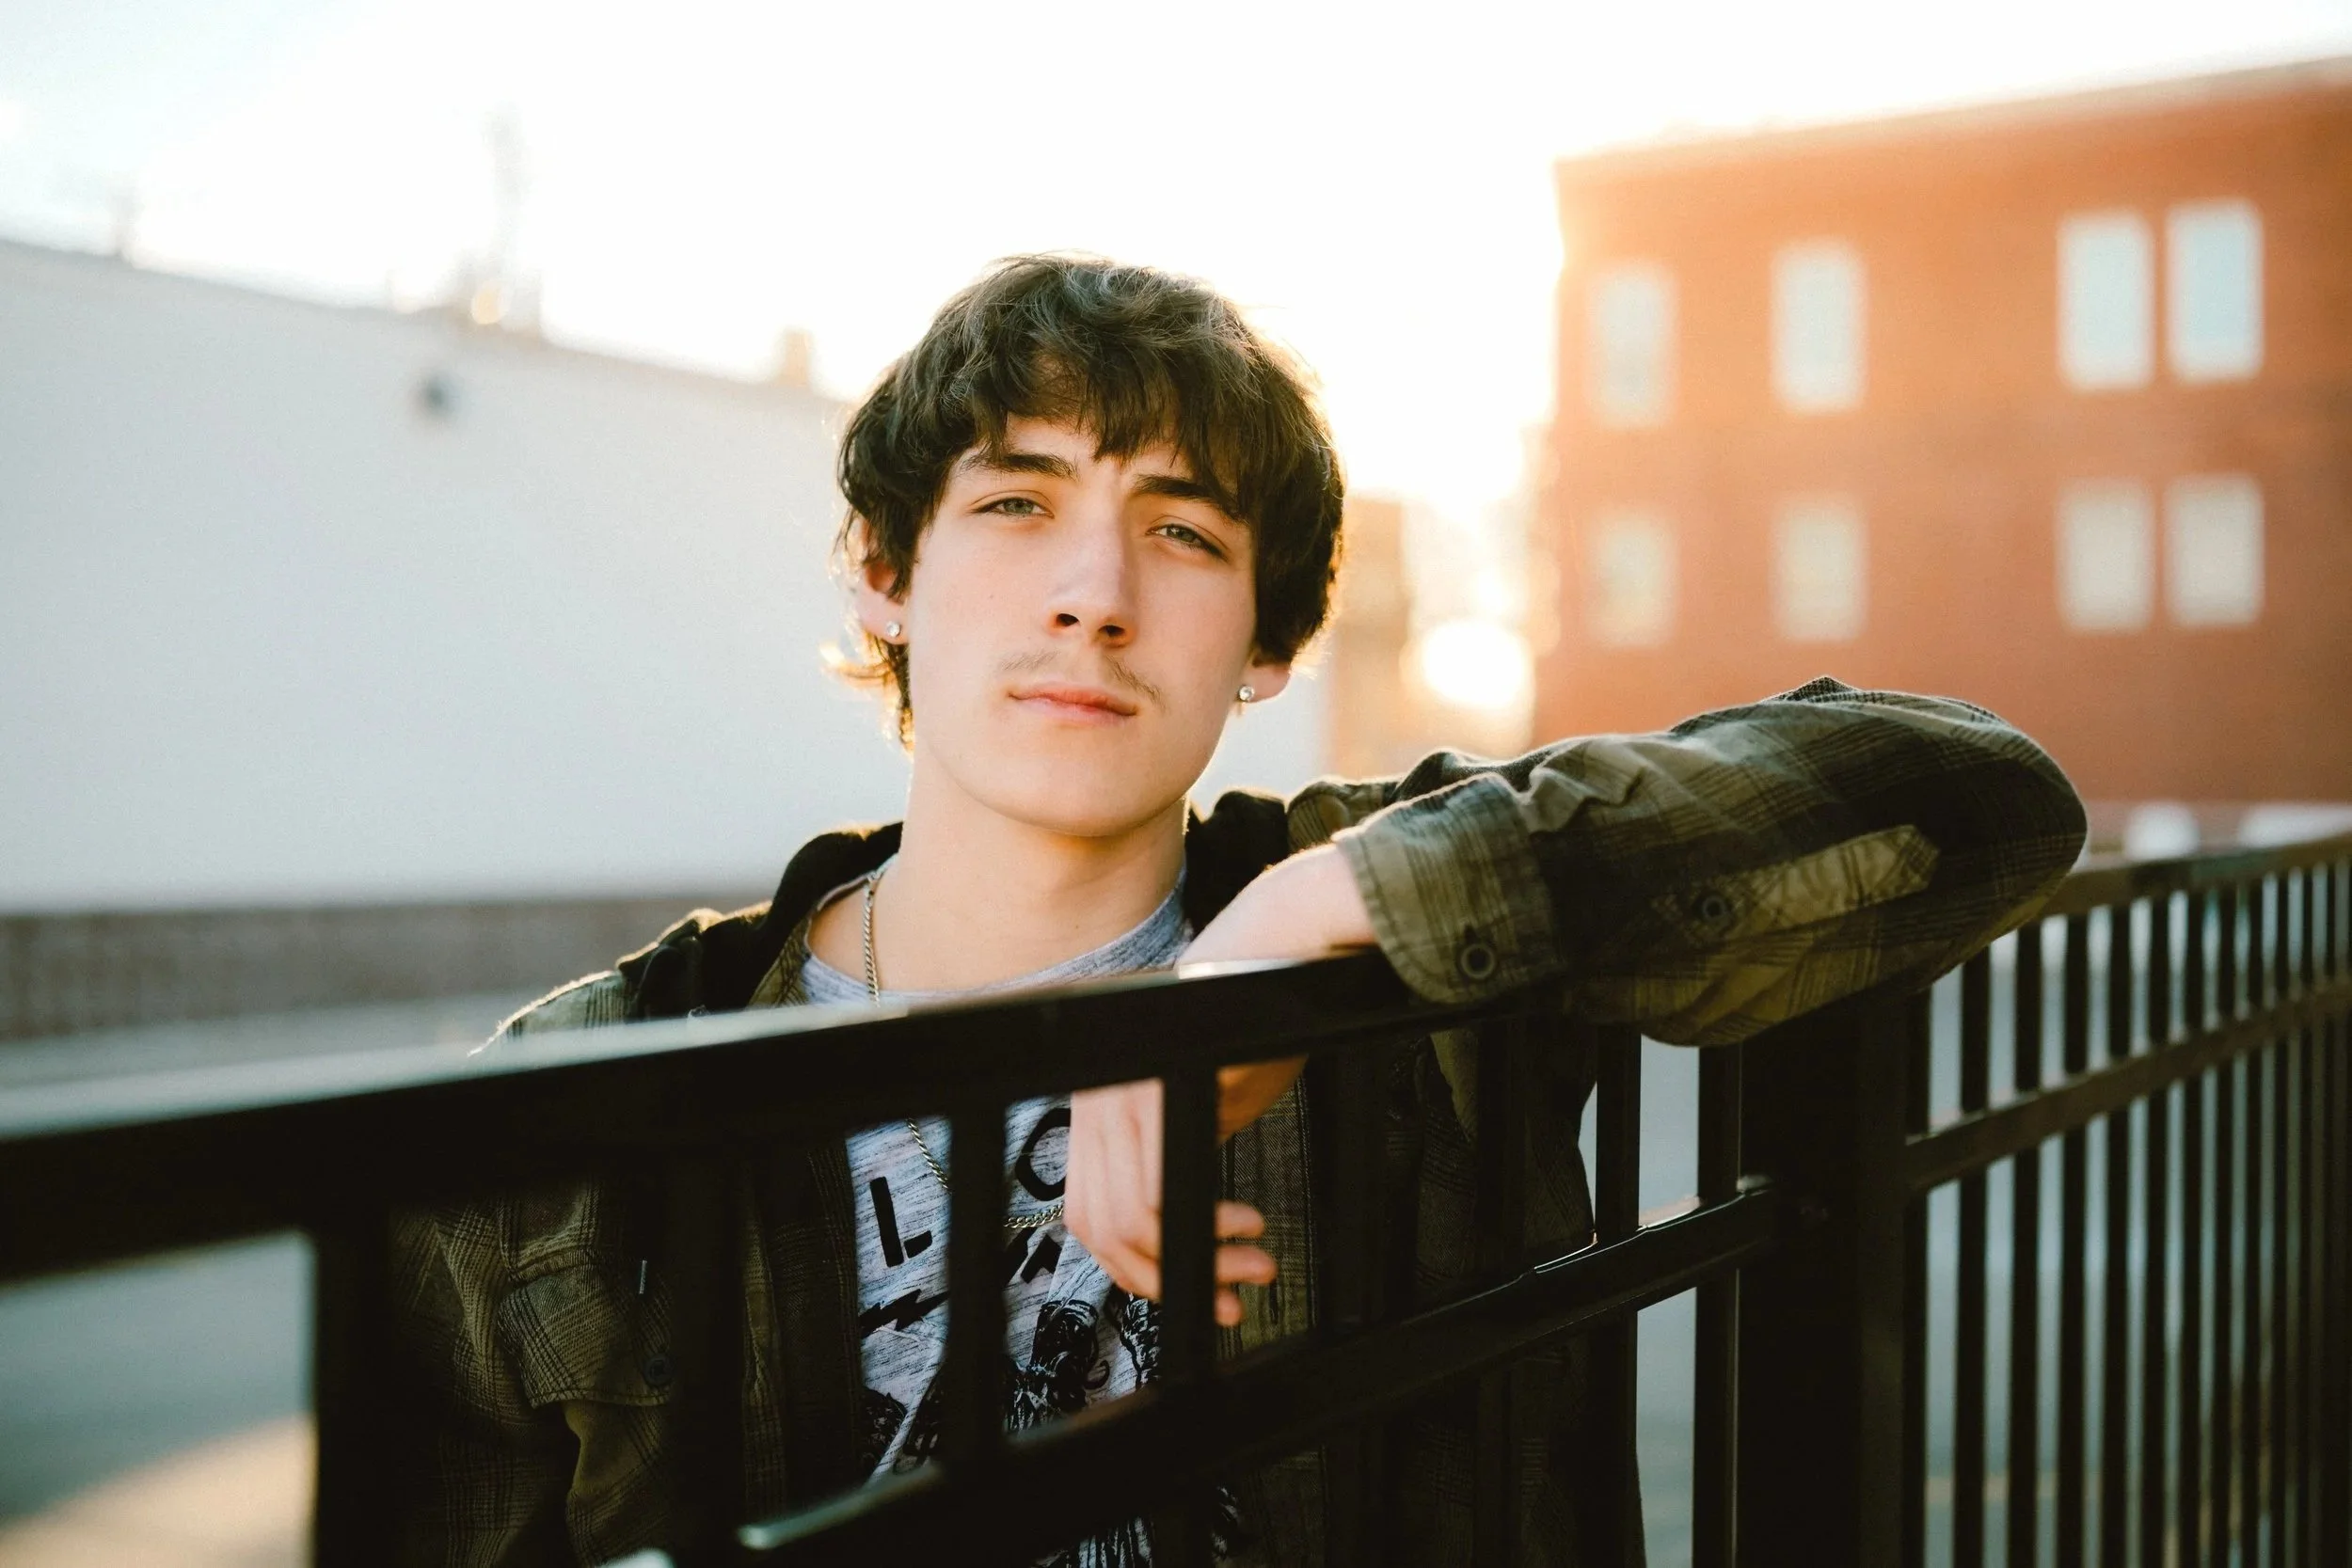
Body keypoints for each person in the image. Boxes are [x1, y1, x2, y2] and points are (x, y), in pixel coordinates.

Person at [390, 255, 2087, 1566]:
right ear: (886, 573)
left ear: (1268, 642)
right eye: (1018, 503)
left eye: (1183, 533)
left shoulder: (1380, 950)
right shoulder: (568, 1107)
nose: (1096, 594)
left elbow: (1981, 800)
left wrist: (1312, 918)